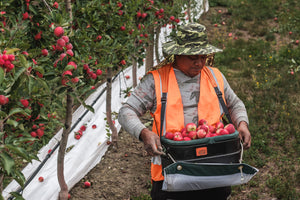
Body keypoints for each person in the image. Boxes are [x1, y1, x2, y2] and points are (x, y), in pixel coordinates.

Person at [118, 22, 251, 200]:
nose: (199, 62)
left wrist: (242, 123)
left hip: (214, 166)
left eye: (203, 56)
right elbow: (126, 111)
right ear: (177, 54)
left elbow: (234, 104)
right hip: (173, 169)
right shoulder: (156, 81)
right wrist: (144, 133)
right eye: (192, 57)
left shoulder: (215, 77)